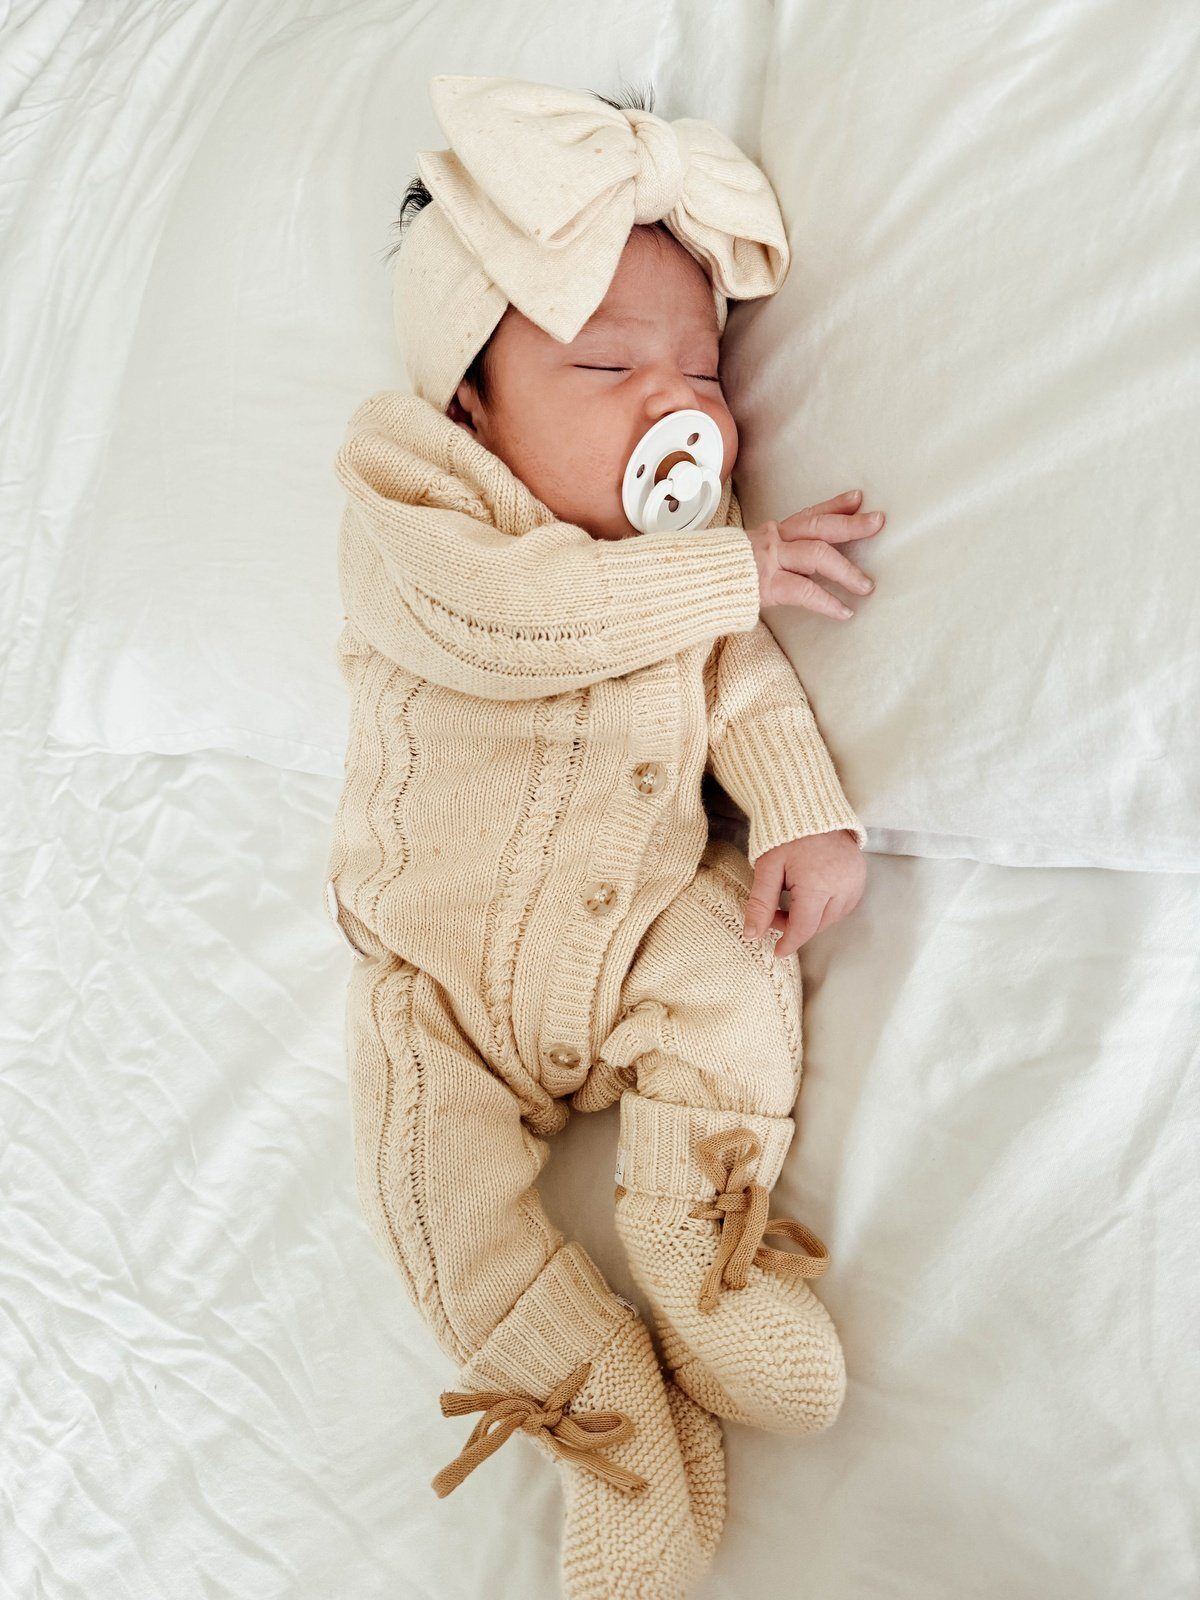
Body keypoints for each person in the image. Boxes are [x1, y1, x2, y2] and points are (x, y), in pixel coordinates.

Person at [325, 73, 885, 1600]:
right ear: (473, 398)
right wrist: (736, 570)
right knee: (424, 1194)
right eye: (608, 363)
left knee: (735, 971)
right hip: (438, 981)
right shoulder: (408, 495)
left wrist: (800, 806)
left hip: (639, 926)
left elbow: (739, 677)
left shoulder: (692, 559)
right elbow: (507, 623)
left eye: (702, 369)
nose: (675, 406)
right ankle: (602, 1403)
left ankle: (698, 1251)